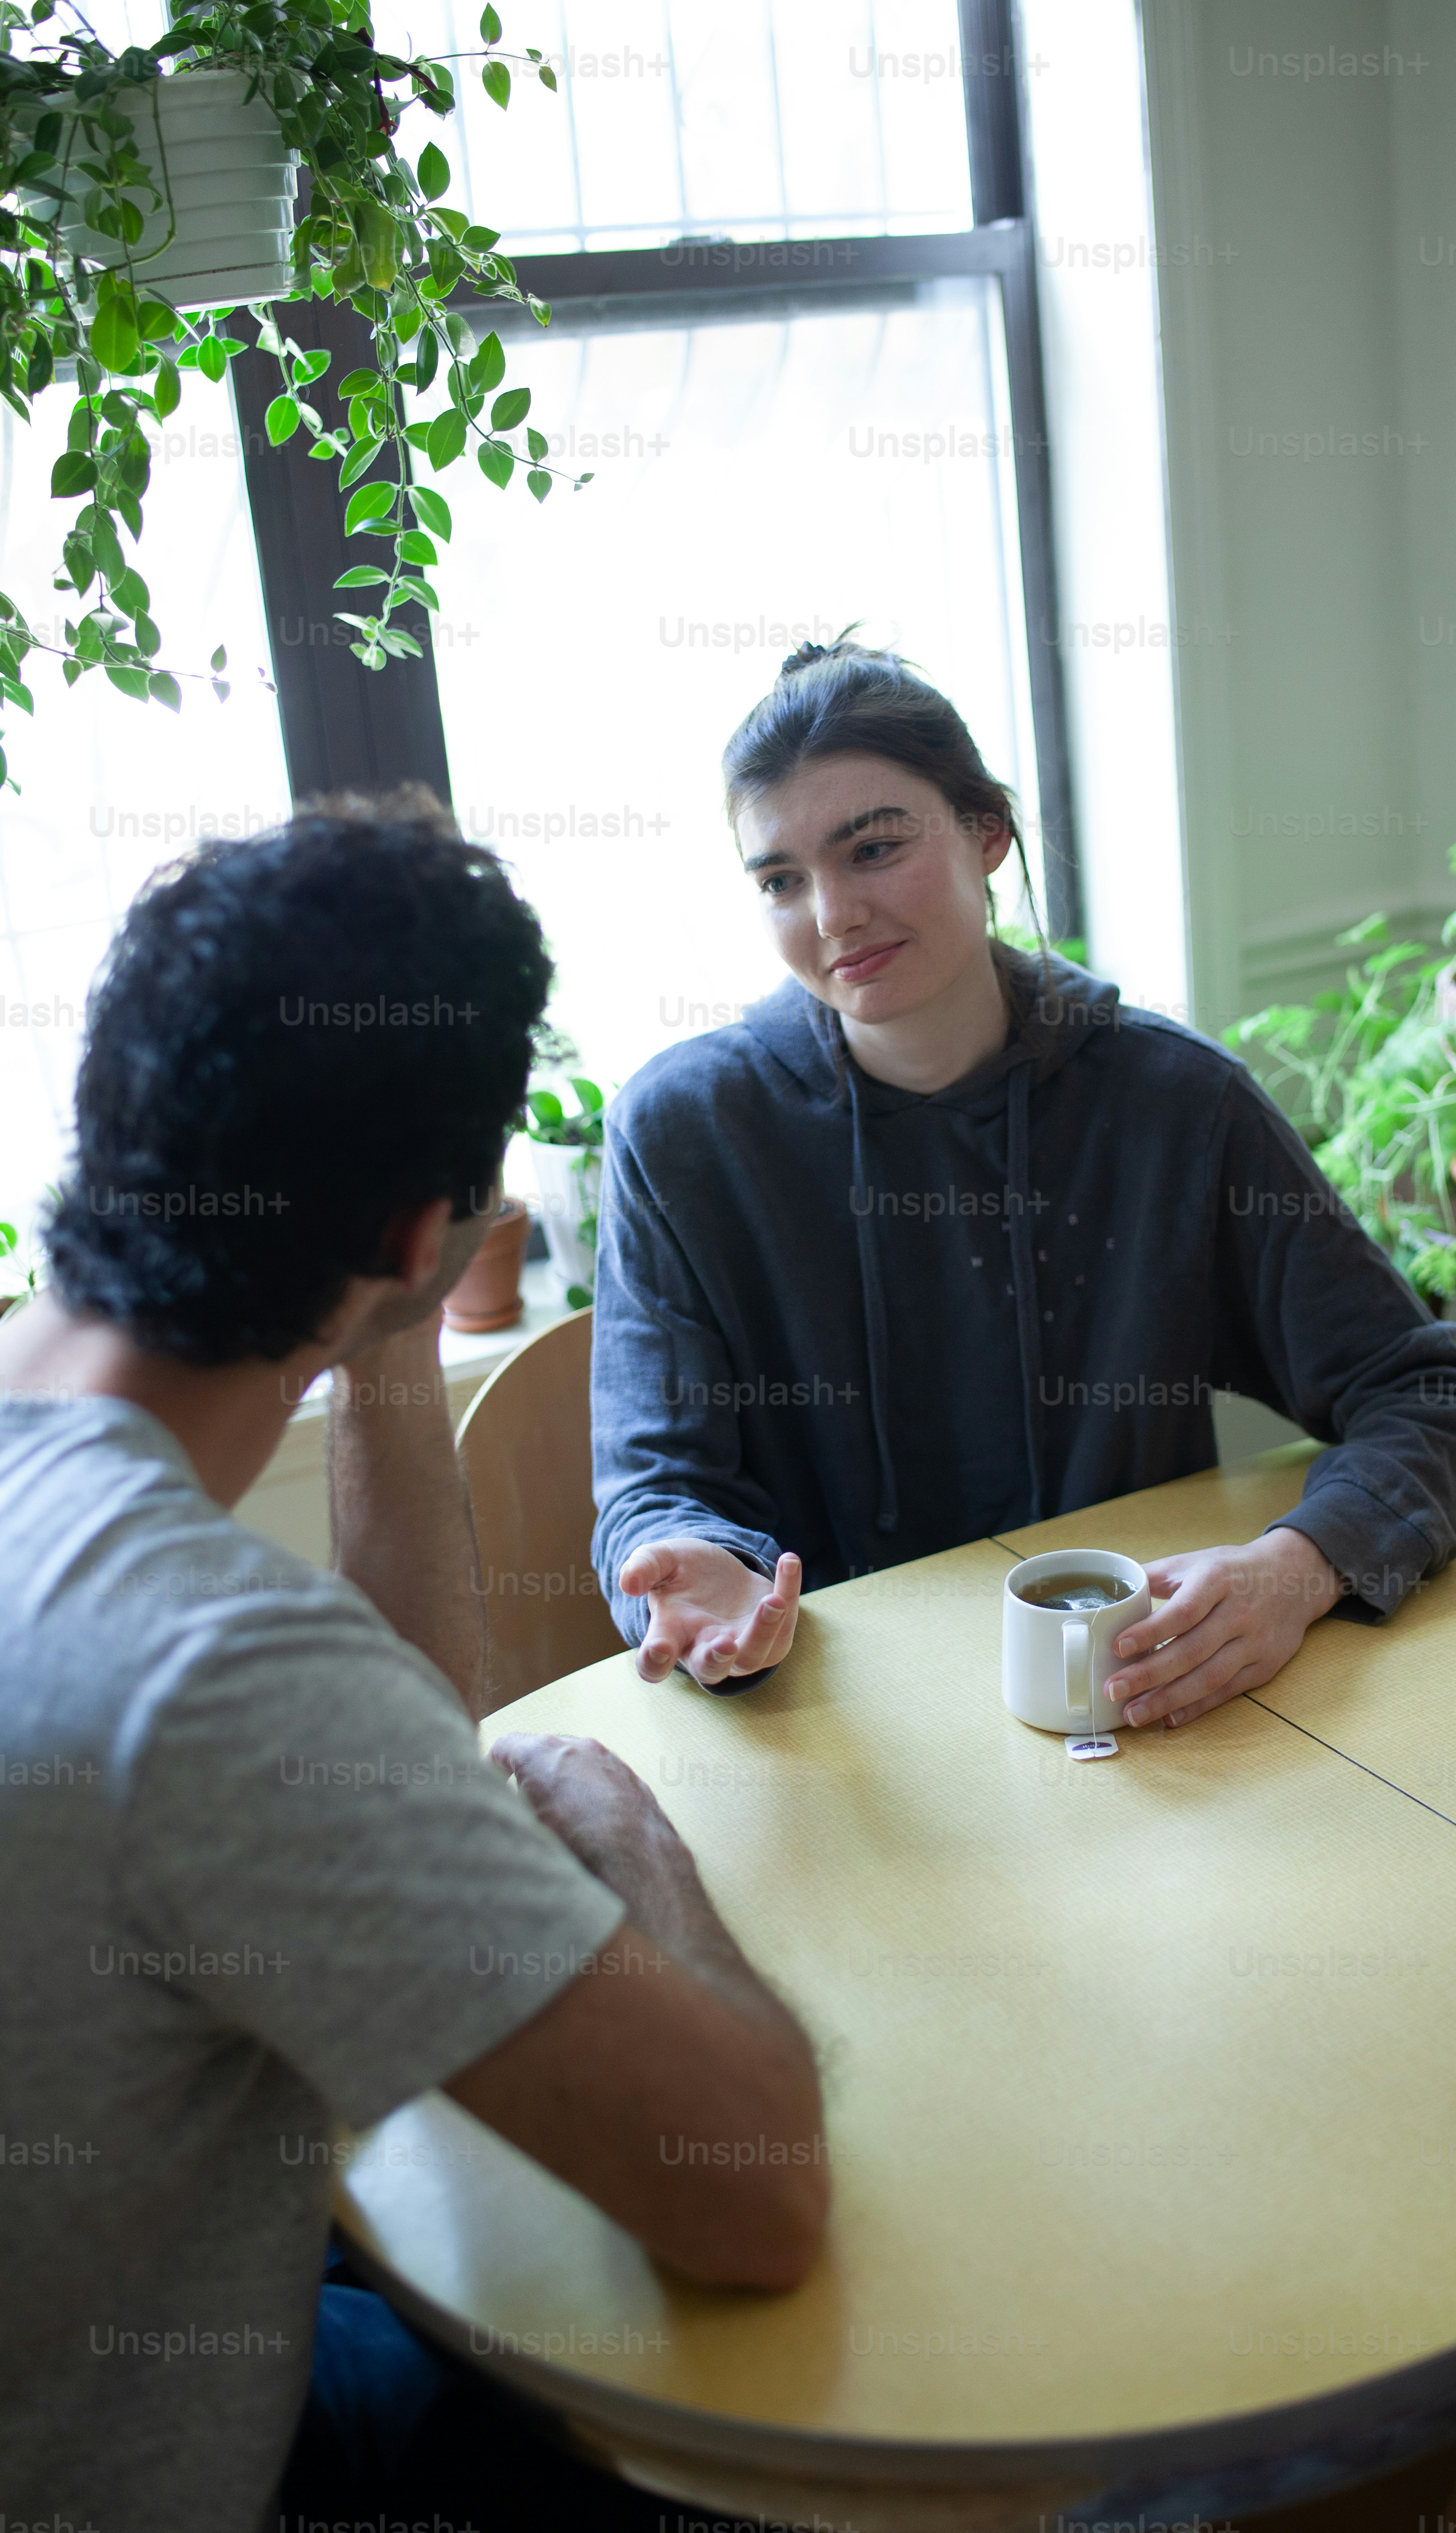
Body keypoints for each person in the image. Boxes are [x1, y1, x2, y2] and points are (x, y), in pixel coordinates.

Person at [0, 796, 827, 2533]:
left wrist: (386, 1329)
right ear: (416, 1234)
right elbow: (753, 2194)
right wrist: (625, 1831)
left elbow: (392, 1743)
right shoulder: (207, 1669)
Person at [592, 638, 1456, 1710]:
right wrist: (691, 1567)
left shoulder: (1175, 1105)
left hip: (1133, 1703)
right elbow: (655, 1492)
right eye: (781, 881)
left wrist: (1297, 1566)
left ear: (987, 832)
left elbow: (1441, 1406)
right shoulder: (682, 1136)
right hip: (834, 1724)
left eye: (874, 849)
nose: (833, 914)